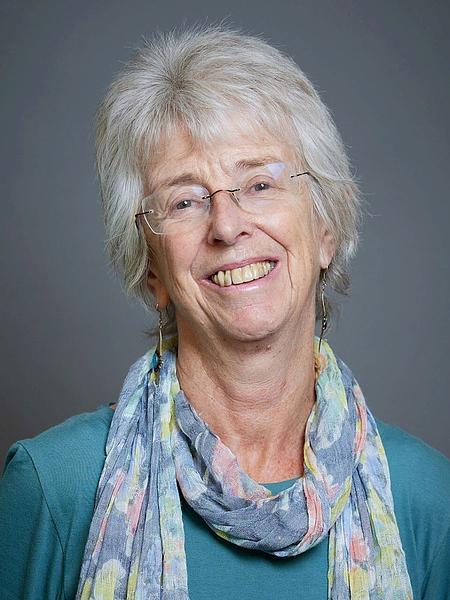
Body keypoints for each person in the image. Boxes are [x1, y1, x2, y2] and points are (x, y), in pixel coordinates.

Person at [1, 25, 449, 600]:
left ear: (326, 227)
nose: (228, 226)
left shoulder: (429, 501)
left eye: (259, 184)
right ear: (152, 268)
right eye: (185, 201)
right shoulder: (54, 489)